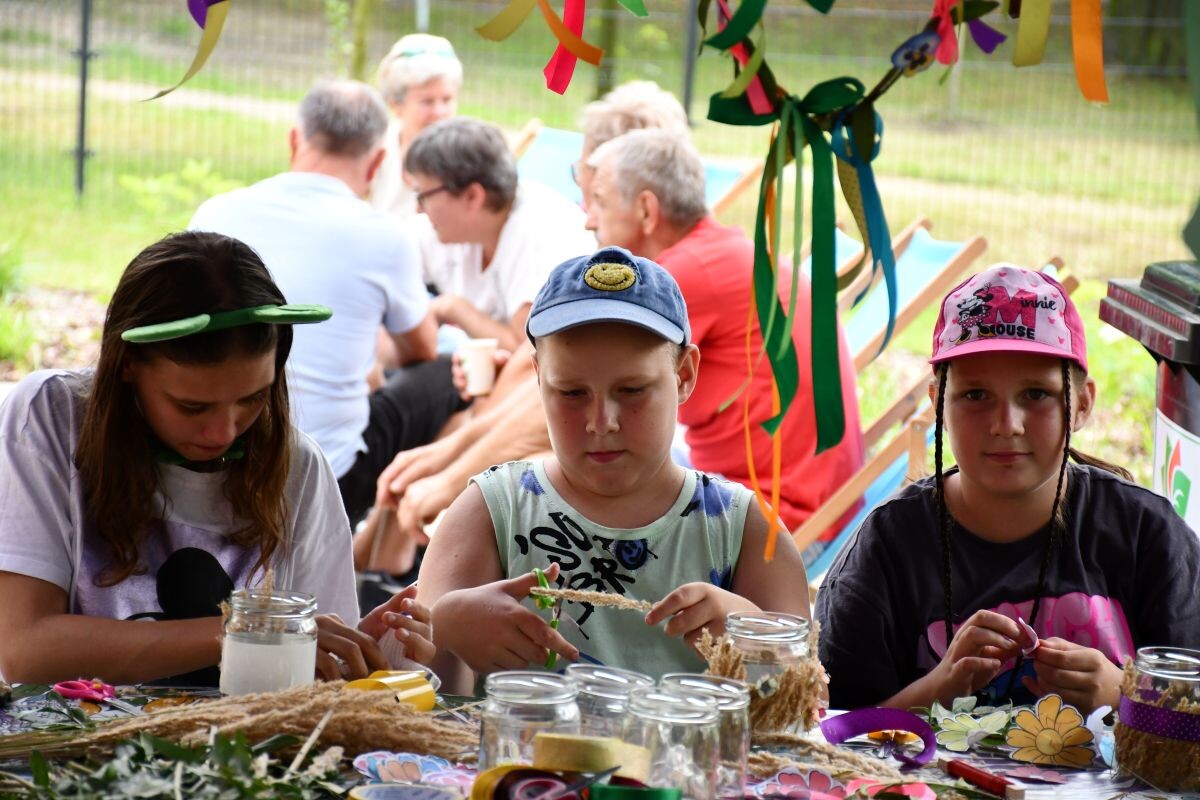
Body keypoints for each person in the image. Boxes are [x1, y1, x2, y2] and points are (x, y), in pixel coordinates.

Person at [0, 231, 435, 686]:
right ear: (127, 365)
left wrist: (365, 653)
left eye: (252, 399)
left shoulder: (298, 467)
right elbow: (26, 651)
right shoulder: (51, 417)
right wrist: (249, 632)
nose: (223, 432)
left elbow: (310, 674)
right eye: (192, 407)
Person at [417, 247, 810, 692]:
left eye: (632, 389)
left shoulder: (746, 533)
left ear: (683, 375)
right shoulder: (490, 513)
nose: (601, 422)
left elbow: (807, 708)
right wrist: (444, 629)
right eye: (571, 392)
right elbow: (411, 701)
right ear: (538, 377)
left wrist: (756, 642)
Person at [815, 264, 1200, 713]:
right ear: (937, 401)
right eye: (976, 396)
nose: (1006, 425)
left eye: (1036, 395)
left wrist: (1126, 694)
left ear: (1082, 404)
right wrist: (936, 690)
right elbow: (833, 736)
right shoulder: (887, 548)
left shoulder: (1145, 534)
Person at [190, 80, 457, 527]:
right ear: (377, 162)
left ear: (294, 140)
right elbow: (422, 350)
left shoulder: (215, 214)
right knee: (453, 374)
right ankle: (401, 548)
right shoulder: (384, 235)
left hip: (216, 453)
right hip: (331, 477)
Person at [583, 129, 865, 552]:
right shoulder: (723, 252)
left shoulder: (686, 274)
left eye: (599, 201)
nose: (588, 218)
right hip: (815, 510)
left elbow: (575, 389)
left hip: (772, 529)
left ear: (646, 209)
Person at [404, 116, 595, 353]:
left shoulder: (539, 230)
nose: (418, 208)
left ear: (473, 196)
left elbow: (530, 351)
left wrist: (454, 308)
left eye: (423, 195)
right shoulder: (449, 227)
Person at [371, 33, 463, 224]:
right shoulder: (376, 148)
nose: (439, 112)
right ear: (396, 105)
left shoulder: (466, 157)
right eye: (427, 101)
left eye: (447, 99)